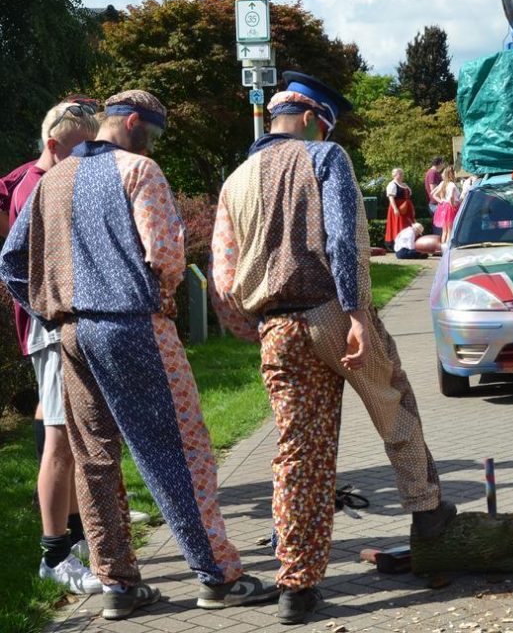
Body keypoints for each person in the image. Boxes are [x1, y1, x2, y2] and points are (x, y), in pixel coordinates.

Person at [0, 90, 275, 621]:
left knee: (94, 460)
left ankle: (118, 585)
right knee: (181, 450)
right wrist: (159, 297)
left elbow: (11, 261)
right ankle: (217, 577)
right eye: (154, 131)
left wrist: (47, 310)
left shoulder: (52, 179)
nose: (155, 143)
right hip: (134, 325)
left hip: (72, 334)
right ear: (131, 122)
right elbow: (167, 256)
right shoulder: (139, 170)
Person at [209, 72, 455, 625]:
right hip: (331, 313)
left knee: (300, 454)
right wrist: (358, 315)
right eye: (325, 126)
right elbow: (346, 241)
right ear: (312, 119)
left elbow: (222, 273)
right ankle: (427, 513)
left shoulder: (236, 180)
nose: (326, 135)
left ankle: (297, 587)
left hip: (277, 327)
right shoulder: (324, 158)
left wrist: (254, 326)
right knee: (393, 405)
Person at [9, 101, 100, 594]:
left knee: (70, 433)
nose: (86, 162)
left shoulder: (50, 181)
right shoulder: (38, 187)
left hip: (59, 323)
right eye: (79, 151)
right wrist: (54, 312)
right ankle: (55, 554)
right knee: (61, 438)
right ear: (53, 146)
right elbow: (18, 266)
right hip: (52, 328)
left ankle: (77, 536)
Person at [384, 167, 414, 248]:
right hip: (398, 208)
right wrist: (395, 209)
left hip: (406, 208)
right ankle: (398, 244)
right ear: (394, 175)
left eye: (402, 173)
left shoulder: (404, 185)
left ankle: (408, 243)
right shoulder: (392, 185)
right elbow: (391, 198)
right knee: (399, 225)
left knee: (408, 225)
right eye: (400, 174)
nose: (402, 175)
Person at [431, 165, 461, 244]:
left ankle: (442, 247)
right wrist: (452, 204)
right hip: (450, 208)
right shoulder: (452, 184)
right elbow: (451, 196)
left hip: (443, 207)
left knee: (445, 231)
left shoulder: (443, 183)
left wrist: (441, 201)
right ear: (452, 174)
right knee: (450, 230)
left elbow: (433, 194)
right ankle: (447, 248)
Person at [424, 156, 445, 235]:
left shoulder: (434, 173)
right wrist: (441, 201)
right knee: (439, 226)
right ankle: (439, 241)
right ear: (439, 163)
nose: (444, 165)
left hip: (436, 203)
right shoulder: (432, 173)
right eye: (443, 162)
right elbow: (433, 190)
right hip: (435, 203)